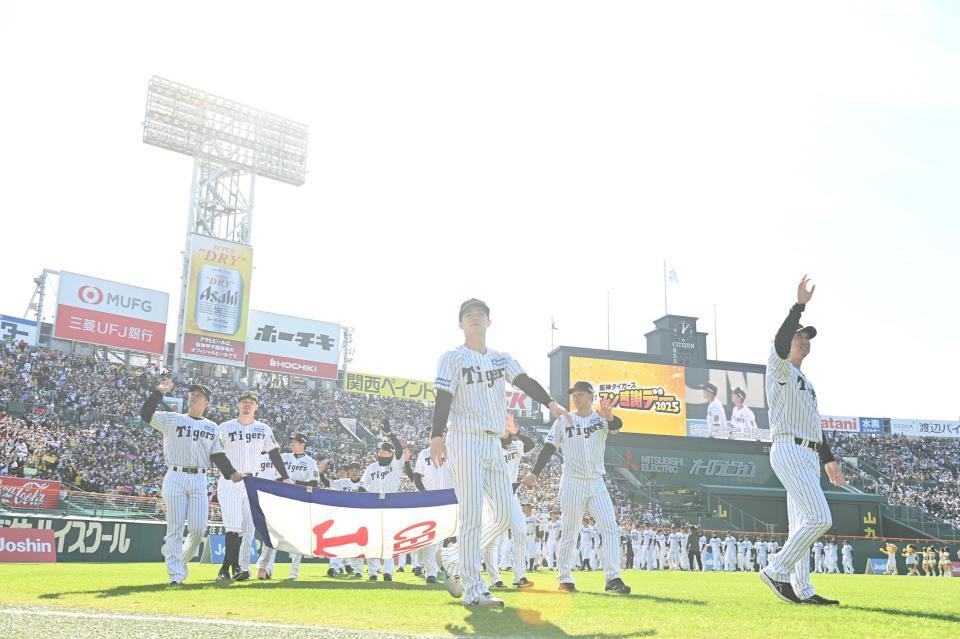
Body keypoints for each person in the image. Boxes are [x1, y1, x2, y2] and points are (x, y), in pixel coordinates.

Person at [430, 298, 566, 608]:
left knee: (505, 515)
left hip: (493, 442)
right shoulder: (452, 357)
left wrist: (550, 402)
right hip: (465, 438)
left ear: (489, 322)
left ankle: (452, 556)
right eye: (468, 315)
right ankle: (474, 590)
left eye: (480, 314)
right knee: (472, 515)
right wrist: (437, 434)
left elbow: (524, 381)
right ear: (460, 323)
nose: (475, 317)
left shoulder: (500, 359)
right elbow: (443, 396)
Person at [759, 276, 844, 606]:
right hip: (788, 448)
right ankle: (776, 569)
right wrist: (798, 306)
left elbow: (814, 424)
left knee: (801, 523)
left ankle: (803, 588)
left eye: (807, 337)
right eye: (800, 336)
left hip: (808, 452)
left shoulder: (806, 381)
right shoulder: (779, 367)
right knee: (820, 518)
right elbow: (780, 341)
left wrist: (828, 458)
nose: (804, 341)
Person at [522, 382, 631, 594]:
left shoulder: (601, 418)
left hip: (597, 482)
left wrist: (609, 416)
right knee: (570, 530)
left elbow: (617, 426)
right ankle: (565, 578)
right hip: (572, 481)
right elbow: (548, 447)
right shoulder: (564, 420)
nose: (576, 398)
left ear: (591, 396)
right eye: (574, 395)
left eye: (580, 394)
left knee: (610, 526)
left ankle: (613, 578)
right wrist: (535, 472)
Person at [140, 380, 229, 585]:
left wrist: (231, 473)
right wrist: (158, 393)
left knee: (198, 529)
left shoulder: (212, 427)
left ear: (206, 402)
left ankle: (180, 561)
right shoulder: (173, 419)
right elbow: (146, 414)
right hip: (175, 475)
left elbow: (218, 455)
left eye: (199, 395)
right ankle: (175, 574)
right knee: (175, 527)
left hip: (199, 478)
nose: (194, 396)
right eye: (192, 394)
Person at [215, 390, 291, 582]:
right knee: (233, 526)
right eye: (244, 401)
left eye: (251, 402)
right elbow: (216, 453)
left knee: (245, 529)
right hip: (230, 481)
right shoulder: (225, 426)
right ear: (238, 405)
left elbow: (274, 453)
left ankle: (232, 568)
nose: (247, 404)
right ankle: (230, 568)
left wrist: (285, 476)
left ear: (256, 407)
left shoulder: (263, 428)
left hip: (251, 482)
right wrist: (230, 472)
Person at [481, 419, 535, 589]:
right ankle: (494, 578)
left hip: (511, 496)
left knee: (520, 532)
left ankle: (520, 576)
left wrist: (516, 432)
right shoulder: (489, 446)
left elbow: (531, 445)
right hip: (493, 497)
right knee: (492, 539)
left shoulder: (516, 445)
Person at [361, 437, 410, 582]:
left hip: (390, 505)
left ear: (391, 453)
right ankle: (372, 572)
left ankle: (388, 572)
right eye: (380, 451)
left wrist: (390, 433)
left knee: (388, 541)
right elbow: (362, 486)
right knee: (372, 541)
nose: (381, 453)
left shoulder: (396, 465)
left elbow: (399, 450)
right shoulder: (371, 467)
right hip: (373, 506)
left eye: (384, 451)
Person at [408, 434, 452, 585]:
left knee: (441, 538)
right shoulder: (424, 453)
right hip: (429, 501)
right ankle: (430, 572)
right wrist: (425, 495)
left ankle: (437, 568)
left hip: (447, 501)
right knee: (430, 538)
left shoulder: (452, 452)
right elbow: (417, 478)